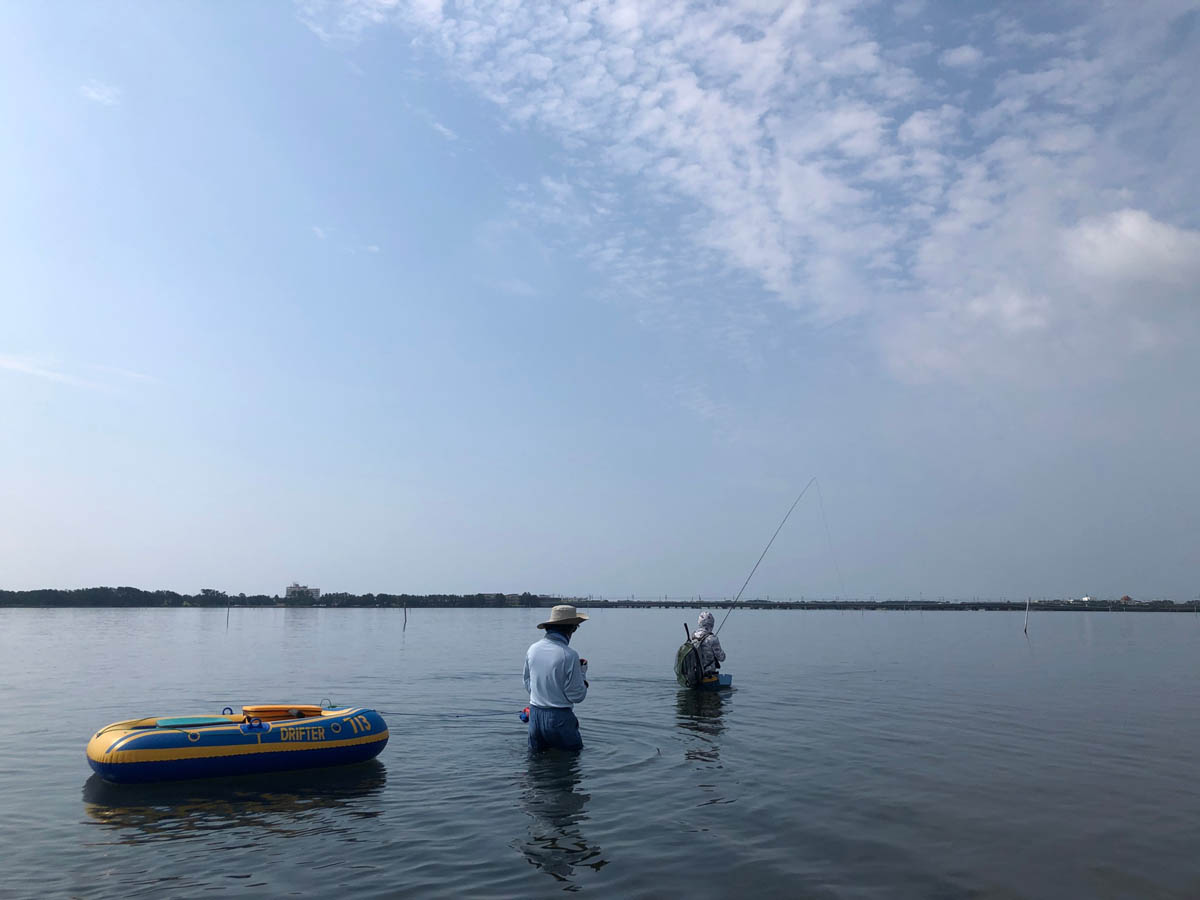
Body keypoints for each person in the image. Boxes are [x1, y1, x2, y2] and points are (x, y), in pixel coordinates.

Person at [523, 605, 589, 752]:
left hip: (535, 716)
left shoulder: (533, 649)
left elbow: (528, 683)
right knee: (570, 763)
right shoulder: (569, 655)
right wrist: (582, 673)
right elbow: (577, 695)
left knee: (535, 766)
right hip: (559, 719)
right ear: (571, 629)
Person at [691, 611, 726, 676]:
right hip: (708, 675)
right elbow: (721, 658)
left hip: (695, 674)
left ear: (699, 622)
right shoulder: (713, 639)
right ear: (712, 624)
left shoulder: (693, 636)